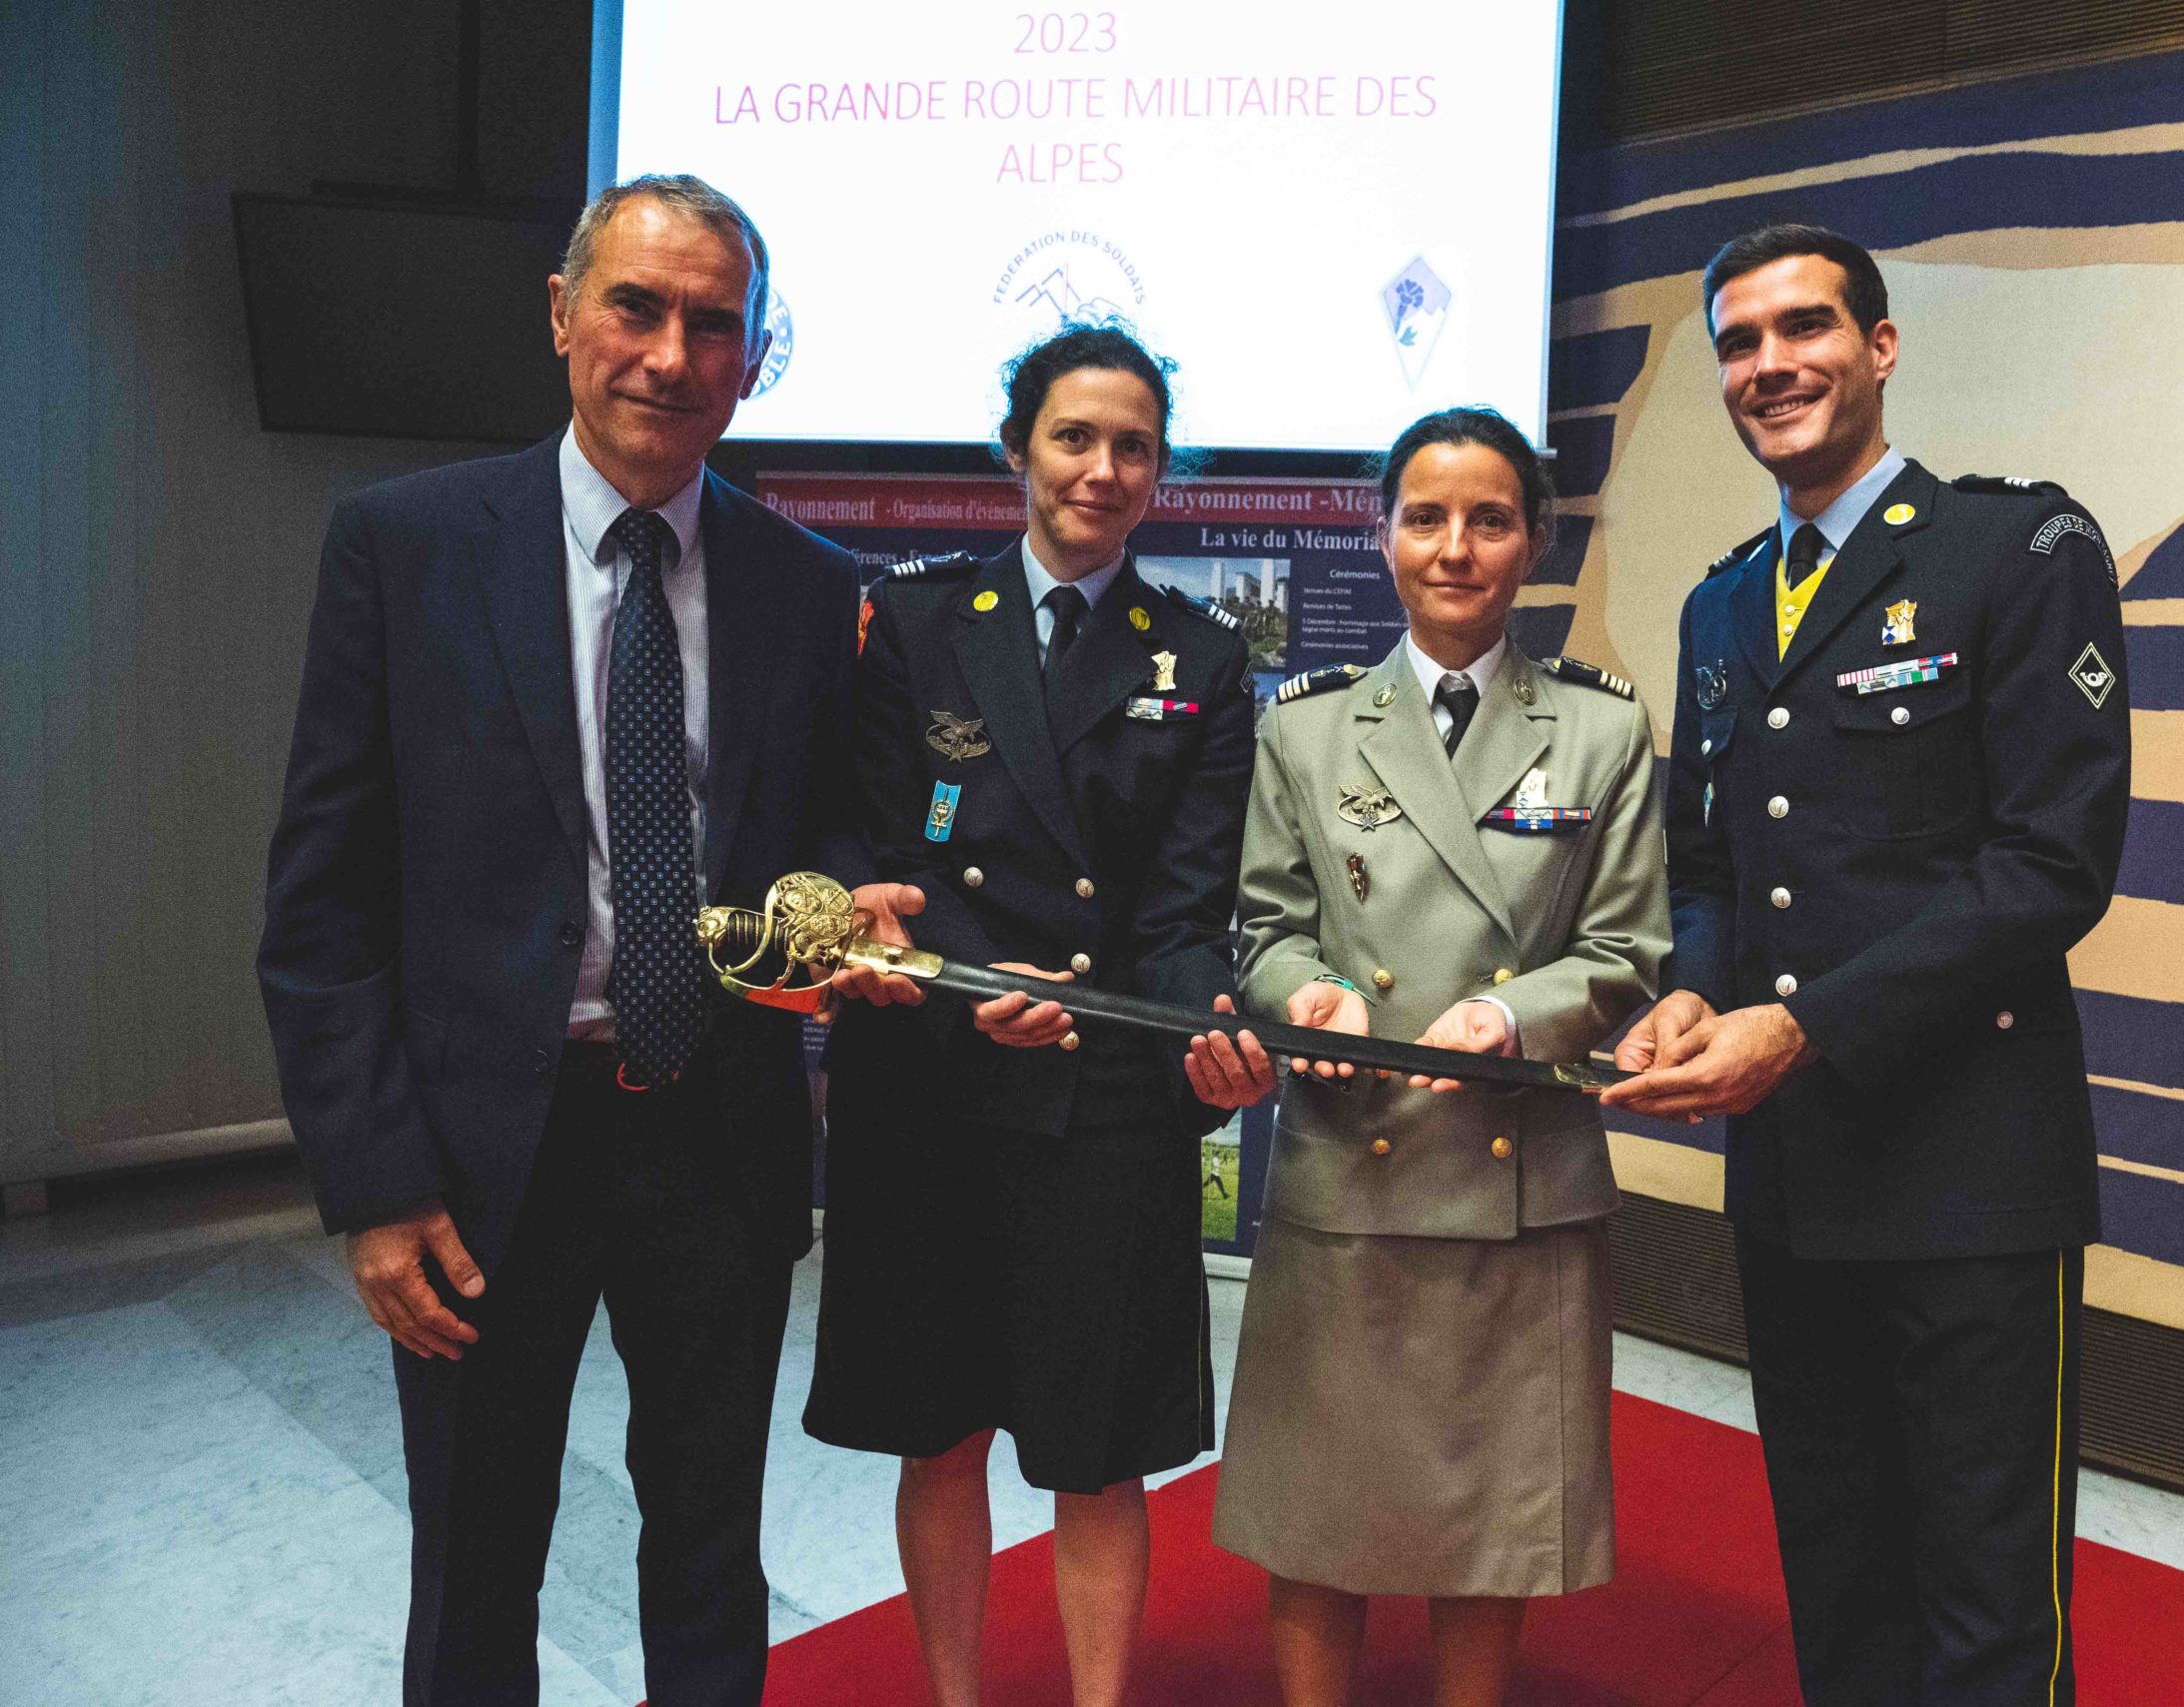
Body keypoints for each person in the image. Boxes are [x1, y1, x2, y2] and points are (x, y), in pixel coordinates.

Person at [257, 174, 925, 1705]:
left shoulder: (811, 590)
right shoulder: (404, 546)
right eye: (635, 305)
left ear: (753, 362)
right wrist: (374, 1183)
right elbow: (321, 900)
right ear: (562, 315)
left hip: (720, 1136)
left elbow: (832, 830)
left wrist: (843, 903)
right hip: (485, 1152)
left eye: (714, 325)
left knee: (707, 1550)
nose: (670, 354)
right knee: (477, 1559)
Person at [1602, 223, 2133, 1705]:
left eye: (1803, 328)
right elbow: (1710, 866)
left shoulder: (2017, 552)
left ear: (1880, 347)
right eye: (1739, 341)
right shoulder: (1720, 604)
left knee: (1984, 1594)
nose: (1770, 364)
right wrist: (1698, 990)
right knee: (1837, 1568)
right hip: (1794, 1179)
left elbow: (2051, 863)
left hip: (1968, 1169)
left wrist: (1806, 1025)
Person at [804, 323, 1265, 1707]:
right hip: (931, 1086)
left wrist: (1209, 1041)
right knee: (937, 1435)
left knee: (1094, 1449)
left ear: (1160, 468)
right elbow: (877, 845)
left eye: (1134, 444)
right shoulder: (919, 623)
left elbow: (1188, 909)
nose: (1102, 468)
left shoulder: (1200, 655)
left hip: (1105, 1097)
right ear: (1017, 449)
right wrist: (968, 992)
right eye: (1075, 436)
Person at [1204, 407, 1668, 1707]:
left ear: (1535, 541)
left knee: (1489, 1526)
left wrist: (1514, 1017)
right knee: (1318, 1517)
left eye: (1490, 518)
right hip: (1352, 1168)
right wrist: (1314, 999)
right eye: (1425, 516)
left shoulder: (1601, 729)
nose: (1455, 547)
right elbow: (1266, 926)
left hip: (1516, 1182)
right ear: (1383, 534)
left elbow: (1630, 948)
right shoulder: (1306, 728)